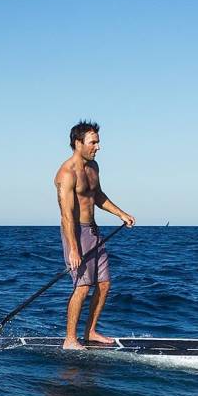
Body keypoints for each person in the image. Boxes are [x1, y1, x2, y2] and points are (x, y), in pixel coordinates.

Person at [54, 120, 134, 350]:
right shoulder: (66, 174)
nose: (97, 147)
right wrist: (73, 249)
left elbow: (97, 196)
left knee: (105, 284)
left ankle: (89, 331)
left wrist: (121, 213)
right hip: (75, 232)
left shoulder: (93, 167)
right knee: (82, 286)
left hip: (93, 230)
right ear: (78, 143)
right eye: (93, 142)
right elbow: (66, 215)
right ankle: (70, 339)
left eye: (98, 142)